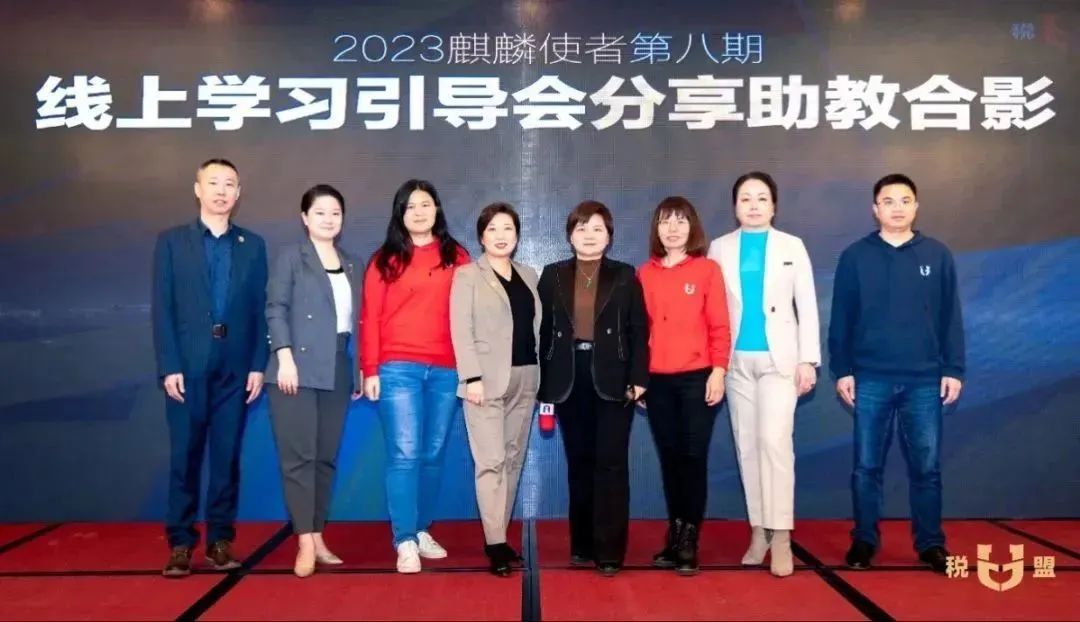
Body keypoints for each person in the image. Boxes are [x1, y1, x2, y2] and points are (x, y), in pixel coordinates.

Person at [828, 173, 965, 574]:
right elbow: (841, 319)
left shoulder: (937, 255)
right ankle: (864, 541)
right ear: (875, 209)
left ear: (916, 207)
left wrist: (953, 368)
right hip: (870, 377)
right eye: (888, 201)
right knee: (866, 467)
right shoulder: (855, 257)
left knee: (927, 468)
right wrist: (842, 370)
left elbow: (950, 317)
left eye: (905, 200)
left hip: (925, 379)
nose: (897, 208)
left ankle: (931, 543)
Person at [152, 158, 268, 578]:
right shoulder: (172, 242)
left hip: (235, 369)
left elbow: (260, 309)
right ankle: (180, 543)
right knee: (184, 457)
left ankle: (220, 541)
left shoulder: (253, 245)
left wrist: (258, 365)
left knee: (226, 457)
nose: (221, 190)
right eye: (213, 182)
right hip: (187, 367)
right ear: (197, 189)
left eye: (229, 184)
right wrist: (169, 365)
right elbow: (162, 308)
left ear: (238, 194)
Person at [708, 172, 821, 578]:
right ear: (735, 206)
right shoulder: (719, 248)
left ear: (774, 205)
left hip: (780, 362)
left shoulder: (792, 245)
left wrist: (808, 359)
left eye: (761, 198)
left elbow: (807, 305)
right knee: (747, 447)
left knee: (775, 444)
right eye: (745, 198)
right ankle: (759, 531)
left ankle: (783, 535)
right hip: (736, 363)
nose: (753, 205)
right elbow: (714, 308)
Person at [361, 179, 470, 574]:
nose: (419, 212)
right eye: (411, 207)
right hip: (398, 367)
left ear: (437, 209)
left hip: (446, 368)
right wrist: (370, 369)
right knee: (405, 453)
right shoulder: (384, 259)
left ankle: (422, 529)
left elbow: (469, 313)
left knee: (433, 452)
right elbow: (371, 316)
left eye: (426, 204)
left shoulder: (458, 256)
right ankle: (404, 538)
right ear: (400, 214)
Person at [536, 200, 649, 577]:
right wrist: (543, 384)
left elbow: (638, 330)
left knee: (611, 464)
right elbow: (542, 334)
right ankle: (583, 545)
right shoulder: (552, 275)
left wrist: (639, 378)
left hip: (614, 379)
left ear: (609, 236)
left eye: (597, 229)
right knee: (579, 463)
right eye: (581, 228)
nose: (589, 235)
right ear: (570, 235)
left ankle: (610, 551)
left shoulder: (625, 275)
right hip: (568, 378)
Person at [265, 184, 362, 577]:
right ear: (305, 218)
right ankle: (304, 539)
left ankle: (318, 534)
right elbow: (275, 309)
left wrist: (358, 368)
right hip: (296, 367)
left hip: (338, 365)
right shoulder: (291, 257)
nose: (328, 219)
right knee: (299, 458)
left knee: (324, 458)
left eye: (335, 212)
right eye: (320, 212)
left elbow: (358, 321)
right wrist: (284, 357)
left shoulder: (352, 263)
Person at [638, 196, 730, 576]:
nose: (672, 228)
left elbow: (720, 325)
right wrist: (638, 380)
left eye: (680, 221)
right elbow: (638, 332)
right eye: (665, 221)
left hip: (698, 378)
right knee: (670, 460)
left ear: (692, 227)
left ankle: (690, 537)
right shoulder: (645, 274)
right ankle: (674, 535)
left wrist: (719, 371)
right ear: (656, 229)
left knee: (693, 459)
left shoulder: (707, 270)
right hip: (657, 381)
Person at [450, 203, 541, 577]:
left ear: (517, 235)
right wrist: (471, 377)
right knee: (491, 462)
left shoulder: (529, 275)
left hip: (527, 377)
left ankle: (498, 536)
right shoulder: (467, 276)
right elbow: (461, 329)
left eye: (508, 229)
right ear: (481, 236)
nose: (501, 236)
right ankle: (495, 543)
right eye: (493, 229)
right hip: (484, 382)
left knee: (513, 459)